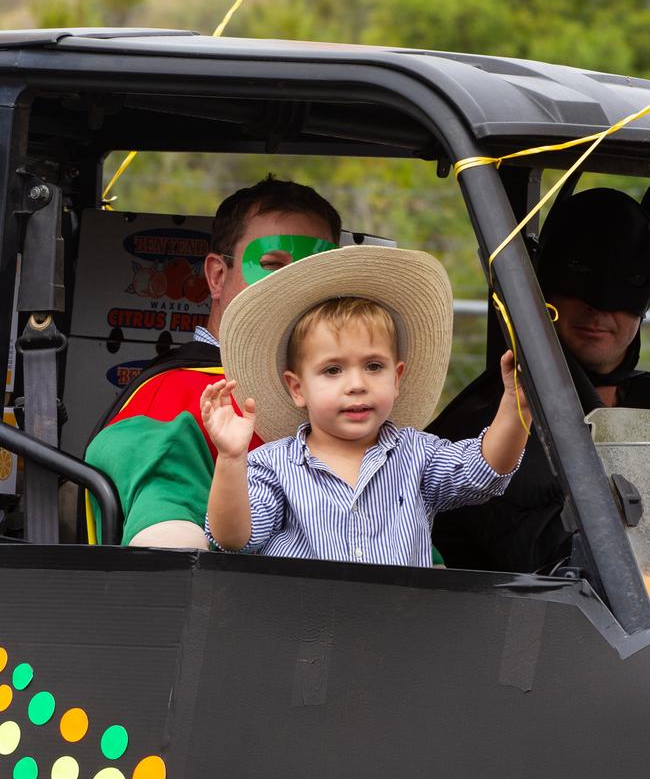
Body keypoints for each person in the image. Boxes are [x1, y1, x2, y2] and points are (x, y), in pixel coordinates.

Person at [200, 244, 531, 566]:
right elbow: (234, 538)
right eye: (333, 370)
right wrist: (231, 459)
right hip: (302, 622)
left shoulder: (417, 455)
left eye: (374, 366)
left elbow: (485, 469)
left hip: (398, 622)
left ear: (397, 378)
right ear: (298, 389)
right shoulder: (272, 467)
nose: (357, 385)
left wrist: (516, 405)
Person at [85, 175, 342, 548]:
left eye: (314, 268)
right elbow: (166, 545)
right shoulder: (170, 396)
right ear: (217, 276)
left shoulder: (348, 397)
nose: (296, 285)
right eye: (272, 264)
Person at [429, 186, 650, 574]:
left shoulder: (643, 394)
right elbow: (572, 569)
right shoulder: (498, 423)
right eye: (578, 274)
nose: (597, 307)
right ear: (541, 285)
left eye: (625, 281)